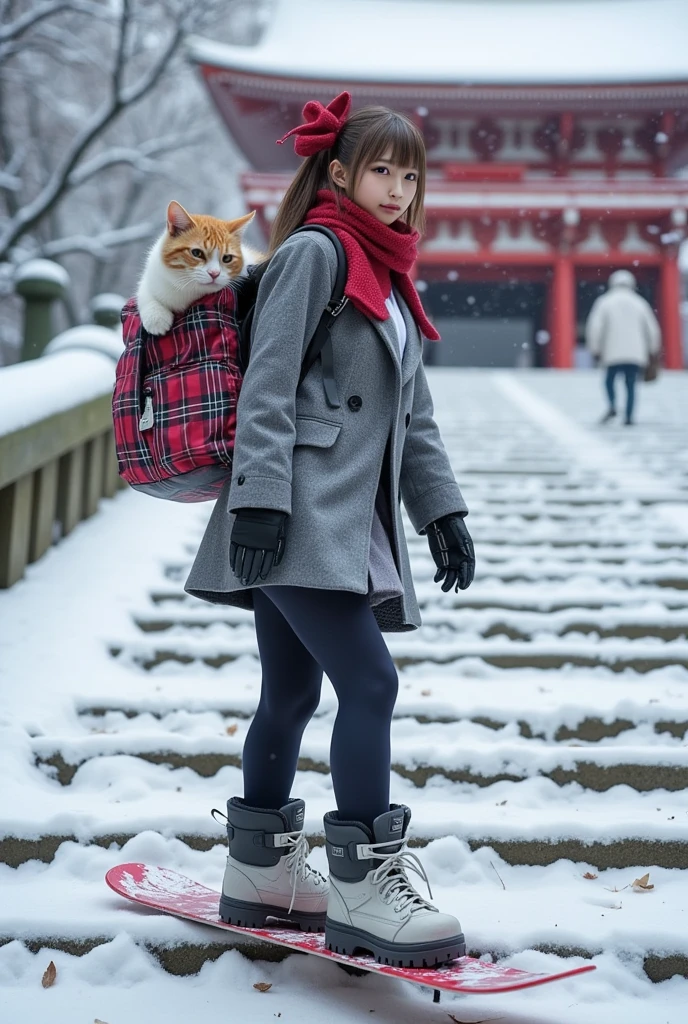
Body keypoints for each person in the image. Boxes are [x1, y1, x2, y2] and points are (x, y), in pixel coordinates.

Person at [185, 92, 475, 967]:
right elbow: (267, 378)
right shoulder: (315, 251)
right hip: (298, 509)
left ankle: (261, 874)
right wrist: (263, 496)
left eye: (410, 172)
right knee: (371, 684)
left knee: (291, 695)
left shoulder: (389, 276)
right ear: (341, 173)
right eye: (381, 169)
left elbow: (411, 415)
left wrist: (441, 510)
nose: (398, 187)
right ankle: (362, 883)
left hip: (344, 514)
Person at [585, 269, 661, 426]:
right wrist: (653, 349)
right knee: (631, 384)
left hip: (612, 353)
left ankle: (612, 405)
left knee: (609, 381)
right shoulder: (640, 303)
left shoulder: (604, 302)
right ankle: (629, 416)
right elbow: (652, 329)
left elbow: (595, 328)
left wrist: (595, 349)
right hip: (635, 353)